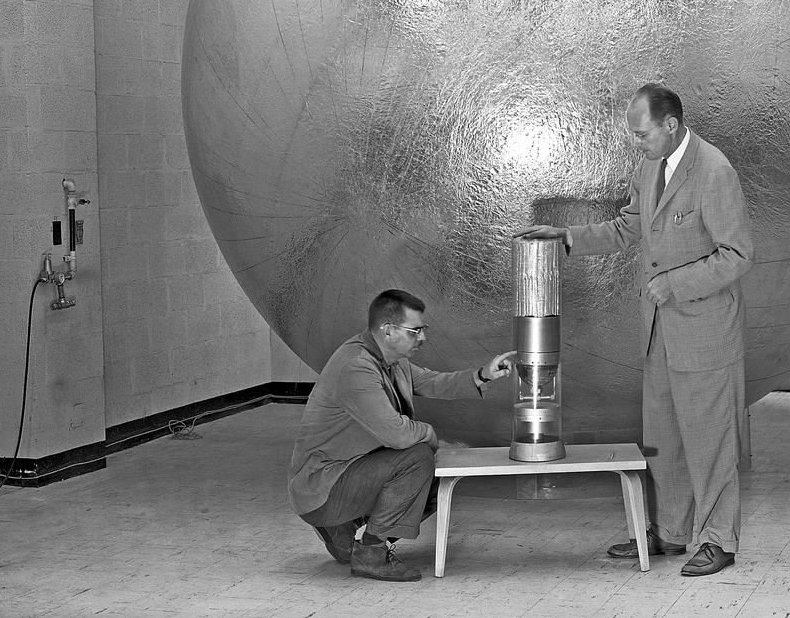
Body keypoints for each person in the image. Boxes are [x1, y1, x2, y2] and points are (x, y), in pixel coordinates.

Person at [516, 83, 753, 577]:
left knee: (710, 439)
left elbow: (737, 255)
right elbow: (629, 227)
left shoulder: (715, 171)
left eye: (642, 133)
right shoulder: (650, 167)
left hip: (705, 332)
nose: (635, 142)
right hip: (659, 332)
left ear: (671, 125)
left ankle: (719, 540)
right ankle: (669, 532)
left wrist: (674, 283)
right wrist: (566, 237)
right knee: (664, 437)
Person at [288, 288, 515, 582]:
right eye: (415, 331)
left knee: (441, 469)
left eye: (424, 329)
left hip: (348, 471)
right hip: (322, 485)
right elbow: (397, 435)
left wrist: (482, 374)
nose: (423, 337)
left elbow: (431, 382)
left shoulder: (391, 358)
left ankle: (341, 528)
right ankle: (371, 553)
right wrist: (431, 435)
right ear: (388, 330)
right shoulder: (355, 366)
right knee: (419, 458)